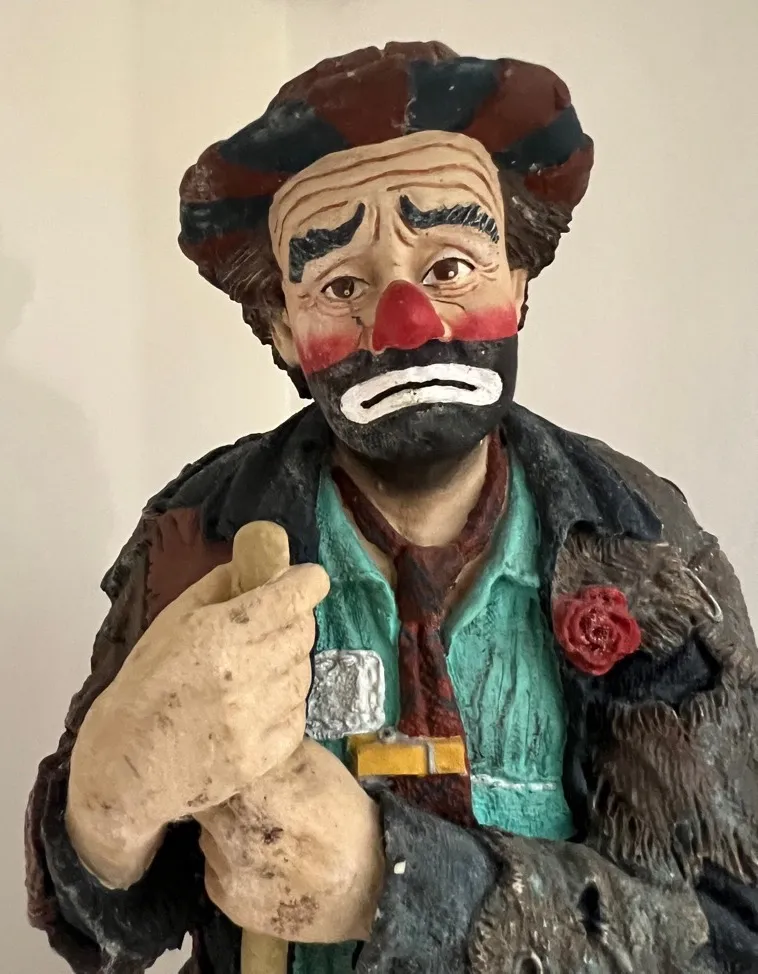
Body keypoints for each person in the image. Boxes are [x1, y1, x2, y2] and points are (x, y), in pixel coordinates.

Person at [26, 41, 758, 974]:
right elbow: (109, 923)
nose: (405, 322)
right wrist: (106, 807)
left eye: (450, 264)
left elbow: (724, 931)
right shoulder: (198, 536)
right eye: (341, 285)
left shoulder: (644, 548)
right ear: (284, 328)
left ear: (517, 280)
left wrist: (394, 883)